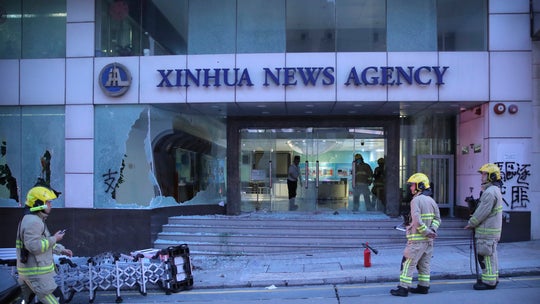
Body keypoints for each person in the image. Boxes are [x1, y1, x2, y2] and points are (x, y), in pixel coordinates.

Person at [16, 185, 73, 304]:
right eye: (48, 202)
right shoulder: (33, 221)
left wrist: (61, 250)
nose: (50, 205)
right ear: (38, 204)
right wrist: (55, 238)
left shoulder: (34, 219)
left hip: (32, 273)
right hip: (36, 275)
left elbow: (43, 242)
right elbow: (35, 246)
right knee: (57, 301)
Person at [390, 173, 441, 297]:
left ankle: (403, 288)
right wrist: (432, 231)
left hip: (417, 240)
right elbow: (437, 219)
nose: (411, 188)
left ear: (420, 186)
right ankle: (423, 286)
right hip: (428, 241)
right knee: (424, 264)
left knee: (407, 263)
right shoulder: (431, 200)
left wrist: (426, 231)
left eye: (413, 185)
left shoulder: (416, 200)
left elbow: (417, 221)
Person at [464, 163, 503, 290]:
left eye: (484, 174)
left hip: (487, 231)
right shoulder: (493, 190)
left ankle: (489, 282)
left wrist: (471, 223)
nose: (482, 177)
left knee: (485, 256)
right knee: (491, 256)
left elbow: (482, 212)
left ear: (491, 176)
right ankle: (493, 278)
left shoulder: (490, 192)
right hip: (491, 231)